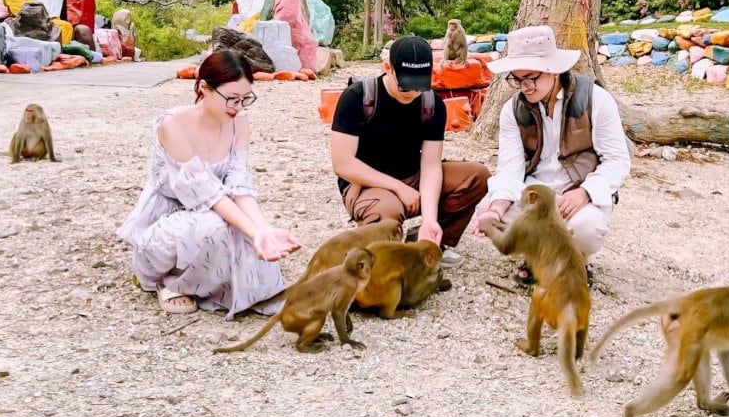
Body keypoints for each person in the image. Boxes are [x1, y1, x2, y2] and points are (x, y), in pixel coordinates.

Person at [117, 49, 301, 317]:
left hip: (216, 208)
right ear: (204, 88)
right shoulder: (173, 123)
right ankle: (170, 281)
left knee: (242, 234)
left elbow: (239, 185)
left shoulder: (239, 123)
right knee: (220, 226)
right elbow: (207, 192)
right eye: (231, 99)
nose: (237, 108)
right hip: (169, 218)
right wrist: (252, 231)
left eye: (244, 99)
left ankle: (210, 281)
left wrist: (263, 229)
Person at [471, 25, 631, 286]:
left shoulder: (596, 99)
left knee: (586, 228)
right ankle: (538, 256)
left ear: (553, 71)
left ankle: (577, 261)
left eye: (531, 78)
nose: (525, 87)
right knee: (487, 209)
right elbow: (510, 168)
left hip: (578, 190)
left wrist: (586, 192)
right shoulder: (513, 110)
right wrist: (496, 210)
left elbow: (617, 160)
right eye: (517, 79)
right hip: (535, 192)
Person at [330, 35, 490, 266]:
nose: (412, 92)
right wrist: (398, 187)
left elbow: (431, 165)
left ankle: (429, 241)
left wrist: (429, 219)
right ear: (388, 68)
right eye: (405, 83)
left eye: (418, 84)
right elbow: (343, 164)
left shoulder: (431, 104)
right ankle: (379, 255)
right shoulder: (358, 98)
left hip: (413, 176)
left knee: (478, 176)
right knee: (387, 211)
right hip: (366, 183)